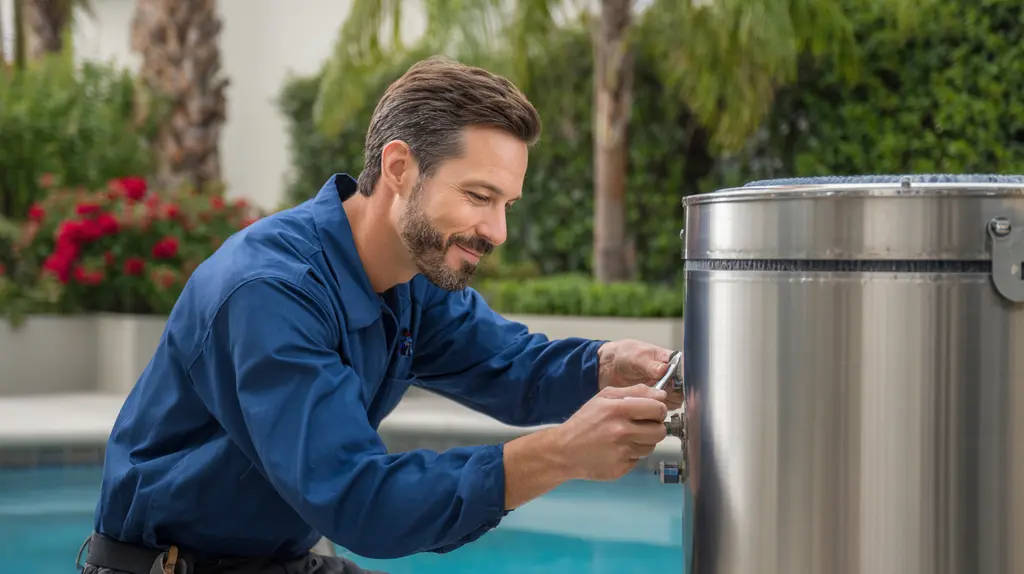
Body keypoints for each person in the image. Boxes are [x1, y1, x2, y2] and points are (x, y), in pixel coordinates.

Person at [77, 56, 682, 574]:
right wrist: (560, 454)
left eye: (508, 205)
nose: (497, 230)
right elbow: (359, 500)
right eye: (478, 197)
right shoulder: (269, 293)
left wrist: (610, 365)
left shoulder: (414, 275)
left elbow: (510, 364)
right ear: (399, 169)